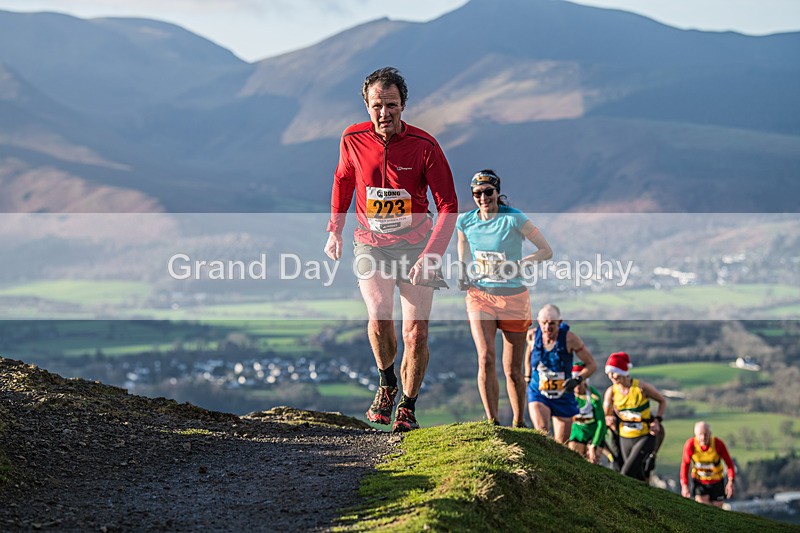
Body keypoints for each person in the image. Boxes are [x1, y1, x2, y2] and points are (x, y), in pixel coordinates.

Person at [324, 67, 458, 432]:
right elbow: (343, 180)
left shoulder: (424, 145)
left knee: (416, 334)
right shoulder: (352, 138)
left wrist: (432, 254)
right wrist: (335, 230)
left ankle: (408, 407)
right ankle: (386, 384)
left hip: (417, 246)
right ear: (366, 105)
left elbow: (448, 205)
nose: (385, 114)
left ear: (404, 105)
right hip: (371, 243)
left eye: (392, 106)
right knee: (380, 317)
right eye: (377, 106)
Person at [456, 169, 553, 427]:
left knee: (512, 370)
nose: (483, 197)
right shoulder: (465, 221)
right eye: (477, 193)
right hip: (480, 295)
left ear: (498, 192)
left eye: (488, 192)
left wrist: (521, 264)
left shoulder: (514, 219)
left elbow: (546, 251)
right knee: (485, 357)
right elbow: (463, 246)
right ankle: (492, 422)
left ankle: (519, 423)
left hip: (514, 297)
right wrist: (462, 270)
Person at [525, 304, 596, 443]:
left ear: (560, 322)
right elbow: (529, 354)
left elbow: (591, 364)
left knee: (561, 443)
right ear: (538, 321)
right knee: (542, 431)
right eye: (544, 323)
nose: (547, 328)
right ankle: (542, 464)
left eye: (552, 323)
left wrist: (578, 380)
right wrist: (527, 375)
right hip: (538, 391)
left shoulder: (570, 339)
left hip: (563, 393)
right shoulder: (533, 335)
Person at [603, 351, 666, 481]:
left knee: (627, 472)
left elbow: (662, 401)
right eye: (609, 373)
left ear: (623, 371)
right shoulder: (611, 392)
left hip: (644, 436)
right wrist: (608, 418)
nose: (611, 376)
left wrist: (658, 420)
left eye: (614, 372)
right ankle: (647, 498)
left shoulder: (641, 388)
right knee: (637, 475)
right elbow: (606, 414)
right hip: (625, 437)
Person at [680, 421, 736, 507]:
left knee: (717, 509)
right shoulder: (690, 445)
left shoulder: (718, 444)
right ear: (695, 435)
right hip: (699, 481)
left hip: (717, 481)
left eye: (706, 434)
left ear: (710, 434)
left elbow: (729, 464)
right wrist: (684, 485)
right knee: (702, 507)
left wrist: (730, 482)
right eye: (700, 434)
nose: (703, 437)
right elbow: (685, 465)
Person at [567, 362, 607, 463]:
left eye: (579, 383)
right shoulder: (568, 396)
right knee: (575, 462)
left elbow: (601, 422)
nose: (577, 387)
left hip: (593, 435)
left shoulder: (594, 396)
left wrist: (595, 443)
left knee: (592, 461)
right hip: (577, 435)